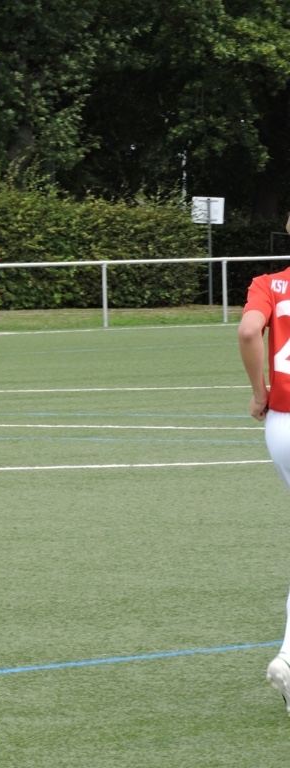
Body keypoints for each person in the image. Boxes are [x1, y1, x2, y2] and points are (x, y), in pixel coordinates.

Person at [238, 219, 290, 717]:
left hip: (281, 425)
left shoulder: (269, 284)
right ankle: (289, 658)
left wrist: (259, 393)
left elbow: (249, 330)